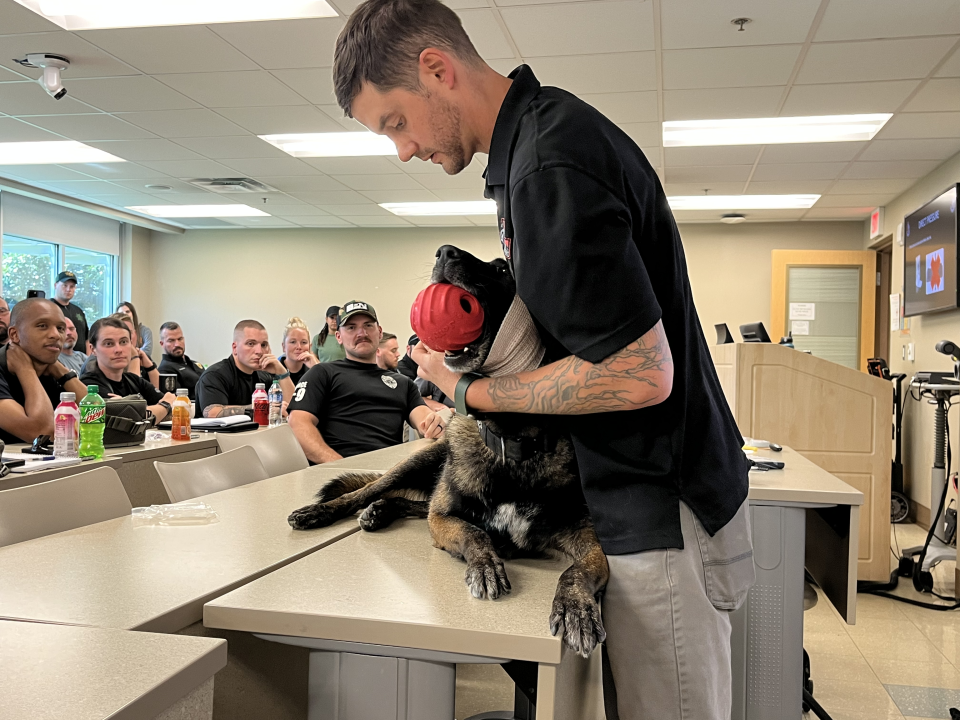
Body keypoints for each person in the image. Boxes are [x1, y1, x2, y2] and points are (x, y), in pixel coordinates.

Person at [333, 4, 755, 720]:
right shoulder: (534, 149)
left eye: (395, 122)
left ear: (437, 69)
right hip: (637, 502)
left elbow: (639, 372)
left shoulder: (549, 164)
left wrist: (475, 398)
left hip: (659, 509)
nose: (402, 150)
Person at [288, 301, 446, 463]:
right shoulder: (322, 373)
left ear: (379, 332)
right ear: (338, 336)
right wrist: (338, 466)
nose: (361, 333)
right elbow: (299, 423)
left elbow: (424, 419)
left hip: (388, 476)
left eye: (368, 325)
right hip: (335, 474)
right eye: (351, 327)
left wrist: (433, 422)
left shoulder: (403, 383)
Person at [0, 298, 89, 444]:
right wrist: (26, 369)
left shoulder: (50, 369)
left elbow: (95, 417)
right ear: (14, 335)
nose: (55, 335)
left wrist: (63, 373)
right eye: (42, 326)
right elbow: (42, 433)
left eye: (60, 328)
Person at [81, 317, 174, 423]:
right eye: (109, 344)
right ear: (93, 349)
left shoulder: (134, 380)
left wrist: (132, 407)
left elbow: (176, 407)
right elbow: (130, 421)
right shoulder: (89, 385)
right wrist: (165, 405)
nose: (118, 350)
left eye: (123, 342)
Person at [196, 320, 295, 418]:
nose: (259, 351)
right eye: (251, 344)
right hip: (218, 434)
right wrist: (262, 408)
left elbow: (293, 409)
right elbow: (212, 413)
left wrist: (282, 372)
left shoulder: (264, 377)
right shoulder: (215, 375)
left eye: (263, 345)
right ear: (235, 348)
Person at [110, 313, 159, 389]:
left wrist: (150, 367)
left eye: (129, 332)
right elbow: (133, 395)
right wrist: (134, 358)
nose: (127, 337)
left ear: (135, 334)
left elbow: (160, 392)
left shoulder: (143, 356)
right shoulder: (112, 360)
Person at [157, 322, 205, 400]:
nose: (177, 344)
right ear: (162, 344)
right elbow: (176, 402)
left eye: (180, 339)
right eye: (171, 340)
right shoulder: (165, 370)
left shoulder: (195, 363)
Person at [52, 270, 88, 352]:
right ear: (55, 285)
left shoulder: (78, 311)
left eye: (72, 286)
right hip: (58, 360)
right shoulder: (48, 308)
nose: (68, 289)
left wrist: (87, 360)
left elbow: (87, 338)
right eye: (65, 285)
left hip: (80, 360)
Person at [280, 317, 319, 386]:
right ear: (284, 347)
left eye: (303, 342)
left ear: (310, 347)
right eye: (293, 342)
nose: (299, 347)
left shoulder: (313, 371)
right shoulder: (274, 371)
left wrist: (317, 368)